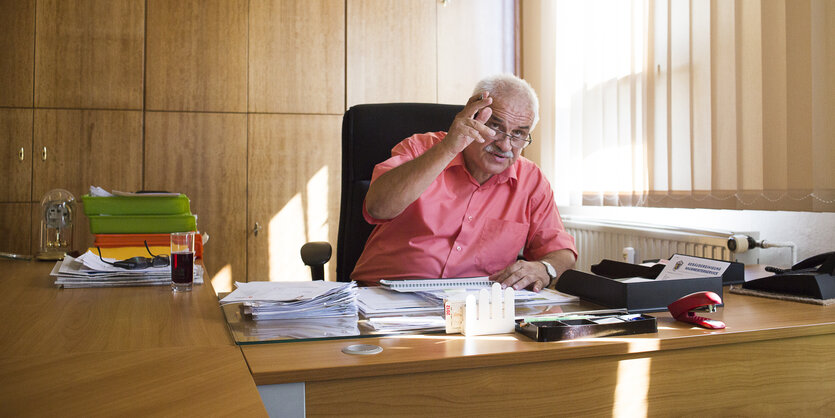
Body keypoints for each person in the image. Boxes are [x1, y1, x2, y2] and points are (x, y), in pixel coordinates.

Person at [351, 74, 577, 292]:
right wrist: (449, 148)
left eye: (518, 134)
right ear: (472, 116)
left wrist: (544, 268)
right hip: (384, 298)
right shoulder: (420, 148)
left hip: (474, 310)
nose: (506, 146)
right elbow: (377, 207)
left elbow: (562, 252)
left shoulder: (531, 180)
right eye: (496, 127)